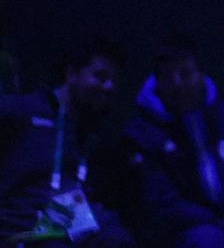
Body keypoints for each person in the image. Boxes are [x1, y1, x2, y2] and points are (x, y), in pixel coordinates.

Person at [120, 34, 224, 247]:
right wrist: (219, 224)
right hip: (189, 231)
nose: (177, 84)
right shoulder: (142, 135)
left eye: (185, 73)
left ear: (201, 74)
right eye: (167, 76)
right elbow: (162, 201)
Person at [0, 36, 135, 246]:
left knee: (117, 239)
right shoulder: (23, 111)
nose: (109, 86)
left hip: (62, 221)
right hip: (20, 226)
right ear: (72, 73)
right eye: (100, 76)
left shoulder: (90, 134)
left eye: (113, 80)